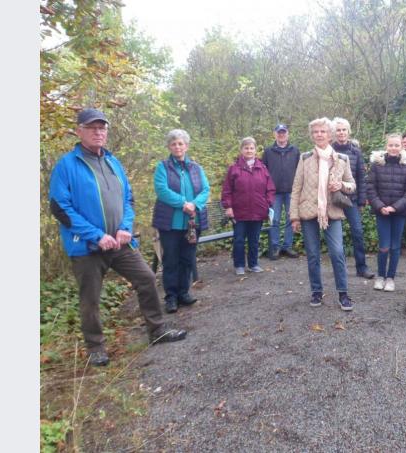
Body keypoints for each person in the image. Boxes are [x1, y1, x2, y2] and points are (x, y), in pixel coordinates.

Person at [49, 108, 187, 367]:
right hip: (87, 247)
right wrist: (96, 235)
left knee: (146, 278)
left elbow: (127, 198)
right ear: (79, 131)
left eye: (102, 128)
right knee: (90, 298)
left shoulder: (113, 162)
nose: (98, 132)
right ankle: (96, 347)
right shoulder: (67, 165)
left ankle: (157, 331)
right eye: (92, 128)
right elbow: (60, 207)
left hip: (120, 242)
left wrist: (125, 227)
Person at [290, 117, 357, 311]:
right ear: (312, 135)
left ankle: (343, 293)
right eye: (316, 132)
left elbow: (352, 186)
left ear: (330, 135)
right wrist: (294, 216)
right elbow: (296, 188)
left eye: (323, 131)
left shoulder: (342, 159)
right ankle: (316, 292)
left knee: (337, 252)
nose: (319, 134)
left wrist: (342, 185)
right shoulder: (304, 158)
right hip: (308, 211)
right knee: (312, 255)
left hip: (333, 211)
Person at [152, 129, 210, 314]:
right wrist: (182, 203)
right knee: (170, 260)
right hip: (170, 223)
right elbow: (161, 190)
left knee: (187, 259)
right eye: (174, 144)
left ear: (186, 146)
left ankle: (184, 293)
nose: (177, 147)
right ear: (169, 146)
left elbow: (205, 190)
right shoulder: (163, 167)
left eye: (180, 143)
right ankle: (171, 297)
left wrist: (194, 204)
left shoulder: (196, 167)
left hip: (192, 223)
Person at [367, 133, 406, 292]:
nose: (394, 148)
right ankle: (380, 276)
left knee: (395, 247)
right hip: (382, 212)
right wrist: (380, 206)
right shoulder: (377, 165)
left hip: (399, 212)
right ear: (386, 146)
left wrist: (395, 207)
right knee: (384, 247)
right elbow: (370, 188)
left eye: (397, 145)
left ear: (402, 146)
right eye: (391, 145)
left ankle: (390, 278)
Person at [221, 137, 276, 275]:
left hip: (258, 211)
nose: (249, 150)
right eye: (246, 148)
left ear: (255, 150)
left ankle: (253, 264)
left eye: (251, 148)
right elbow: (227, 190)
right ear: (241, 150)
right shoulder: (234, 169)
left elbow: (270, 189)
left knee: (254, 240)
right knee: (239, 239)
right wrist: (228, 207)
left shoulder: (262, 168)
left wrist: (267, 203)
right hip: (239, 212)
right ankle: (239, 265)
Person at [331, 117, 375, 279]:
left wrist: (362, 200)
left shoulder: (356, 151)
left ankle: (361, 268)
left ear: (348, 132)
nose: (341, 132)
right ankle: (338, 269)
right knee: (335, 236)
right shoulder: (329, 151)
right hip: (333, 199)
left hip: (352, 198)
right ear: (334, 133)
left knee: (357, 232)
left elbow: (361, 177)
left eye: (344, 130)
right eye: (338, 130)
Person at [262, 123, 300, 260]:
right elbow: (263, 172)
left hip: (291, 191)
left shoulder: (295, 151)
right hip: (274, 192)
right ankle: (275, 247)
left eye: (284, 132)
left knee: (292, 219)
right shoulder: (268, 151)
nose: (281, 134)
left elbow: (300, 171)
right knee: (275, 220)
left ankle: (287, 246)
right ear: (275, 134)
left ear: (288, 134)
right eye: (279, 132)